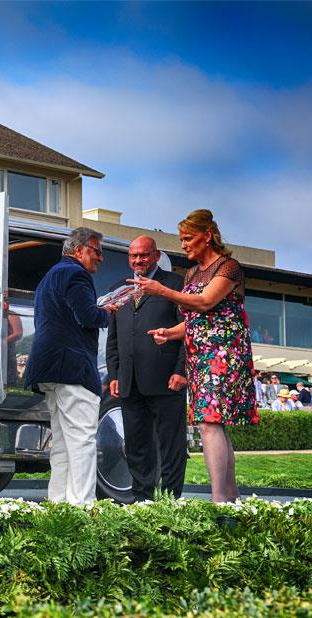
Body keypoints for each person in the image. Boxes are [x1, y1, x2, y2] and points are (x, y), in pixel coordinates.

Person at [141, 209, 258, 503]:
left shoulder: (228, 267)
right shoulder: (192, 273)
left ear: (208, 236)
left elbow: (206, 302)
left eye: (188, 238)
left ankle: (220, 500)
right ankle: (230, 498)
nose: (183, 245)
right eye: (181, 239)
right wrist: (169, 333)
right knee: (211, 422)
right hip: (200, 354)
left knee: (209, 421)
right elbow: (195, 320)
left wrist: (162, 291)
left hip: (224, 353)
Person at [24, 227, 116, 505]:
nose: (101, 258)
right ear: (79, 251)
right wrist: (108, 312)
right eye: (97, 251)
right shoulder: (77, 274)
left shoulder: (49, 277)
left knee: (63, 441)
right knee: (83, 439)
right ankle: (82, 505)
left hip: (49, 368)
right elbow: (88, 316)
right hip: (73, 367)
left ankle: (59, 503)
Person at [106, 236, 188, 501]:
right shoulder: (119, 289)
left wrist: (181, 371)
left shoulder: (176, 285)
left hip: (166, 380)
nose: (138, 260)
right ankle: (141, 500)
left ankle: (169, 501)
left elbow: (189, 333)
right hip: (130, 382)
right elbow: (114, 337)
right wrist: (115, 374)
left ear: (156, 255)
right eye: (133, 256)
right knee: (137, 445)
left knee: (170, 446)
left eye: (143, 255)